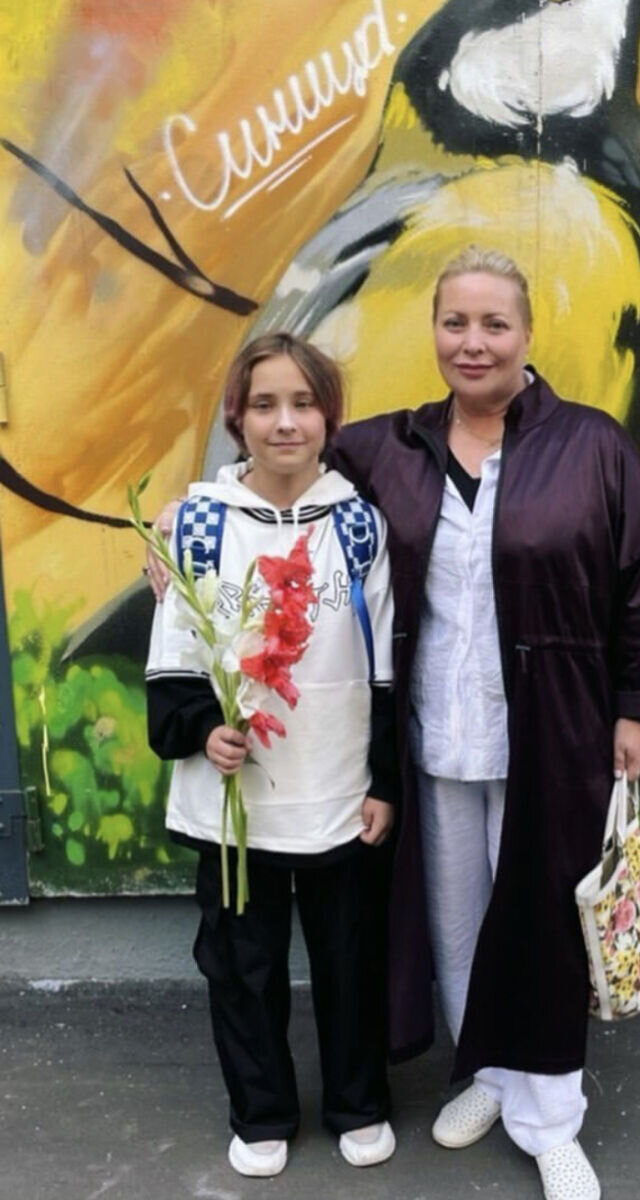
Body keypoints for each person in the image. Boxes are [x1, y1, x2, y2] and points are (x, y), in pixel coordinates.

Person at [150, 247, 640, 1200]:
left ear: (525, 335)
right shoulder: (390, 448)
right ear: (434, 332)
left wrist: (633, 707)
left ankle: (550, 1120)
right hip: (433, 739)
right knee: (456, 925)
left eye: (493, 324)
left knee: (543, 924)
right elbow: (281, 460)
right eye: (454, 323)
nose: (473, 343)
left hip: (550, 734)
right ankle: (487, 1075)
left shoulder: (591, 447)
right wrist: (186, 512)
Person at [145, 333, 398, 1179]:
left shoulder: (358, 526)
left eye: (303, 403)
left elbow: (383, 665)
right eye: (264, 405)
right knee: (241, 965)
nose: (284, 422)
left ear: (330, 417)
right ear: (236, 418)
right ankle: (261, 1112)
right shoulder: (199, 526)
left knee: (349, 960)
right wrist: (199, 729)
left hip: (338, 789)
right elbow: (175, 655)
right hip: (235, 804)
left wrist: (384, 781)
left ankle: (358, 1103)